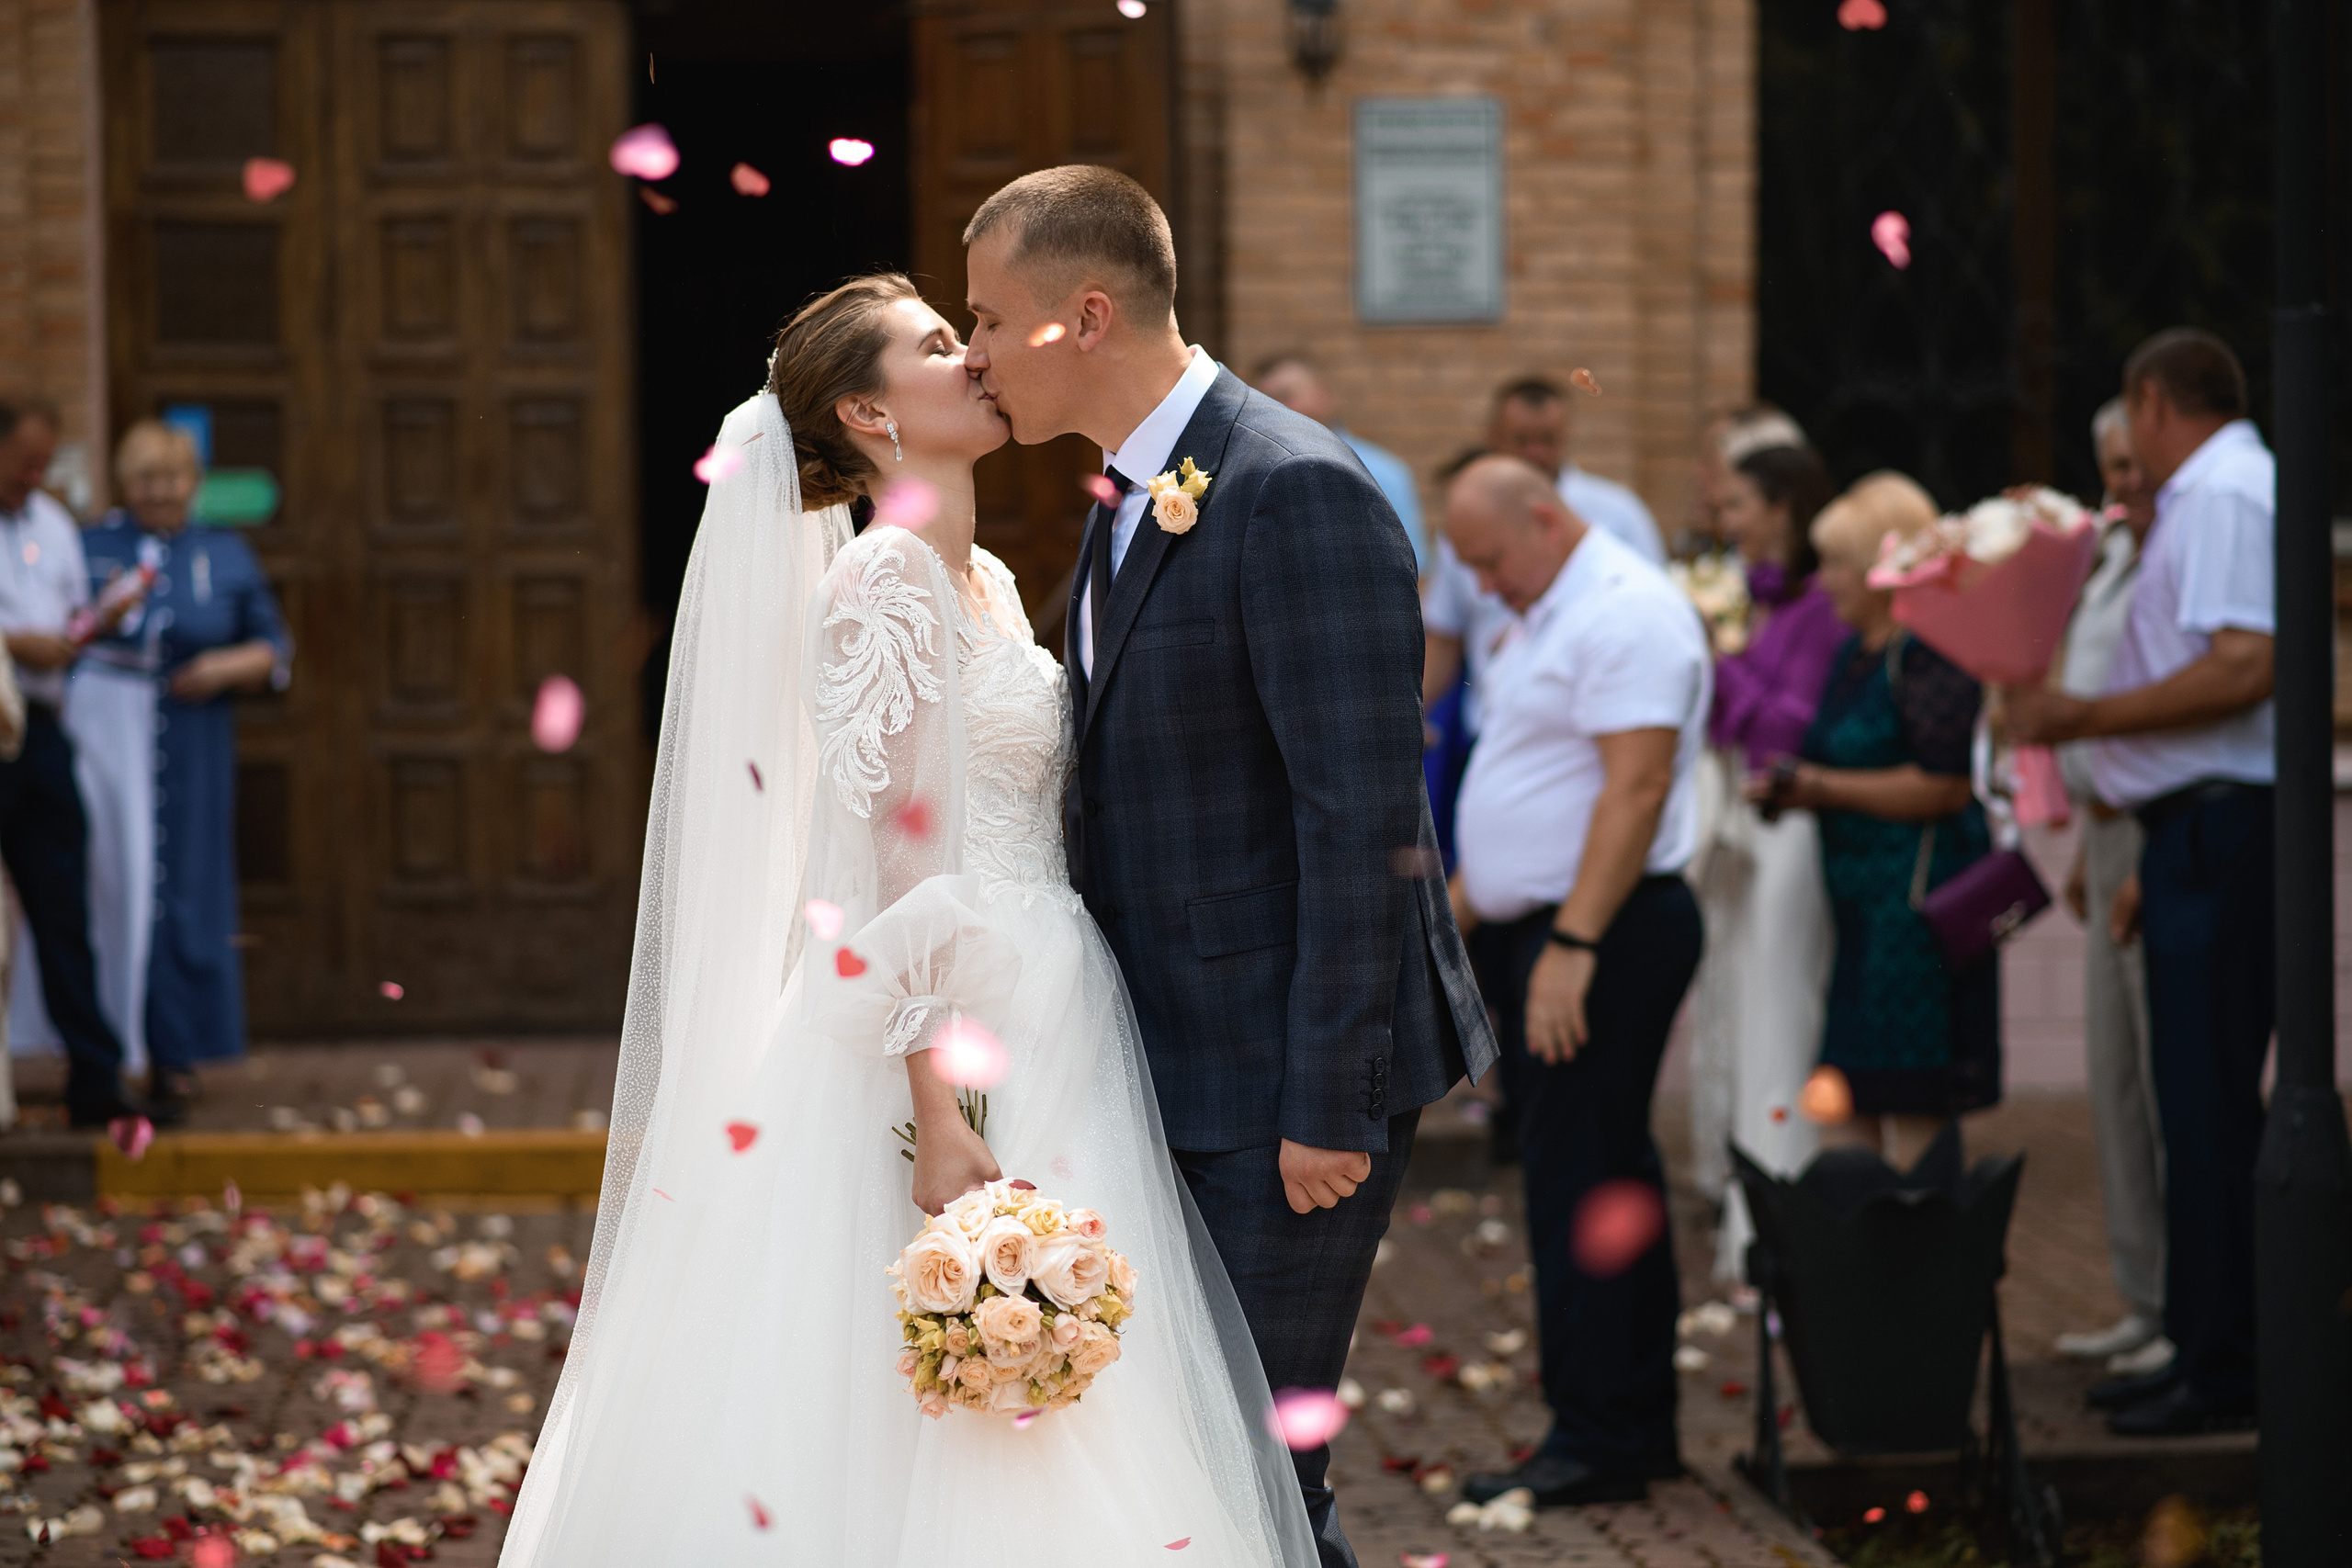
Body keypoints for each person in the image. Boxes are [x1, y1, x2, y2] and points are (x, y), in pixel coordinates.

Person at [503, 272, 1328, 1566]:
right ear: (868, 413)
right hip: (951, 1029)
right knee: (941, 1379)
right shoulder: (883, 578)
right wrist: (936, 1110)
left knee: (1061, 1370)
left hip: (1050, 992)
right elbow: (897, 869)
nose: (976, 358)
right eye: (941, 344)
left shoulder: (980, 573)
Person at [963, 165, 1494, 1568]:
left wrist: (1331, 1102)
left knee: (1249, 1472)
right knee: (1208, 1473)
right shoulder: (1128, 492)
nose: (974, 353)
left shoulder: (1293, 489)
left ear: (1086, 316)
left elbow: (1363, 821)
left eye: (991, 319)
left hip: (1282, 1090)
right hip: (1174, 1064)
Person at [2007, 328, 2274, 1438]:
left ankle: (2225, 1368)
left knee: (2206, 1107)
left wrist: (2086, 718)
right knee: (2187, 1100)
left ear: (2154, 402)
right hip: (2184, 825)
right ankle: (2196, 1344)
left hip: (2217, 820)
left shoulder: (2224, 492)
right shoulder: (2206, 494)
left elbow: (2242, 666)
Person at [1441, 456, 1711, 1508]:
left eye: (1490, 560)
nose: (1483, 585)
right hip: (1558, 929)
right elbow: (1538, 783)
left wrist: (1575, 944)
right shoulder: (1547, 610)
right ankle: (1634, 1425)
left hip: (1603, 932)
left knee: (1577, 1183)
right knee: (1604, 1173)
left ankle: (1596, 1437)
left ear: (1545, 520)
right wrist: (1456, 921)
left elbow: (1635, 789)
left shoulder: (1625, 610)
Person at [1750, 473, 2001, 1168]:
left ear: (1880, 569)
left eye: (1837, 563)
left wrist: (1822, 787)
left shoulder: (1927, 651)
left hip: (1914, 916)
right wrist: (1795, 789)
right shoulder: (1855, 653)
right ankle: (1856, 1231)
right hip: (1863, 914)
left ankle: (1923, 1237)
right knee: (1850, 1097)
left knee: (1912, 1102)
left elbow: (1945, 785)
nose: (1824, 581)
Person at [73, 422, 289, 1101]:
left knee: (186, 889)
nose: (160, 493)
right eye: (146, 479)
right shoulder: (91, 547)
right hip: (111, 741)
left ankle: (176, 1051)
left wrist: (222, 667)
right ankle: (107, 1044)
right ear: (125, 483)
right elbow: (64, 632)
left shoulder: (223, 552)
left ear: (194, 484)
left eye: (172, 479)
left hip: (194, 743)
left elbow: (273, 646)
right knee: (116, 886)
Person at [1686, 444, 1843, 1284]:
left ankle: (1782, 1231)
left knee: (1781, 1022)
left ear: (1783, 508)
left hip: (1794, 830)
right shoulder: (1764, 602)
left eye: (1739, 504)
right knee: (1747, 1021)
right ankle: (1755, 1224)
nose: (1728, 521)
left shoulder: (1818, 607)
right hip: (1751, 826)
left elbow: (1793, 726)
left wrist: (1720, 664)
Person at [2047, 399, 2171, 1378]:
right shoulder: (2114, 556)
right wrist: (2090, 842)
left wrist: (2141, 856)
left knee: (2166, 1081)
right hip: (2106, 826)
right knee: (2116, 1079)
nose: (2125, 482)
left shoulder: (2176, 557)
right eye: (2113, 467)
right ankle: (2144, 1296)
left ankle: (2190, 1304)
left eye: (2137, 464)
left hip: (2155, 827)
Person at [0, 396, 161, 1128]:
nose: (35, 476)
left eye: (44, 462)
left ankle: (94, 1077)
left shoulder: (54, 526)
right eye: (24, 461)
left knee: (64, 903)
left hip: (41, 731)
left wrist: (92, 623)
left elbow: (69, 617)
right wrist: (13, 643)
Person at [1253, 353, 1430, 573]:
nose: (1276, 409)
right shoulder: (1253, 477)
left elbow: (1414, 571)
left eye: (1285, 396)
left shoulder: (1382, 473)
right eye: (1265, 401)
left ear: (1323, 395)